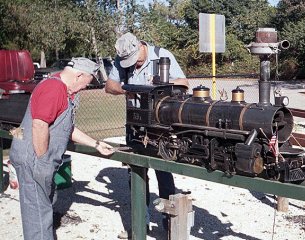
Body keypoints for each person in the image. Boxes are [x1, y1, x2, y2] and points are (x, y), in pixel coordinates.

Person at [9, 57, 115, 240]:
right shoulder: (54, 88)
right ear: (79, 75)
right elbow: (40, 125)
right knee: (37, 217)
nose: (84, 87)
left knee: (45, 206)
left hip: (38, 158)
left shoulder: (64, 89)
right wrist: (42, 161)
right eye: (86, 82)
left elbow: (66, 128)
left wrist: (96, 144)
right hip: (33, 158)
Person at [105, 32, 189, 238]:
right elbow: (109, 86)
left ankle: (169, 224)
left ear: (141, 46)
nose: (132, 65)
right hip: (135, 124)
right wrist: (129, 90)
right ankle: (139, 225)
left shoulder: (162, 55)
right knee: (135, 174)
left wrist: (160, 86)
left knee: (164, 172)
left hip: (160, 127)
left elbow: (185, 83)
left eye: (135, 60)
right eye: (128, 62)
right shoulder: (121, 61)